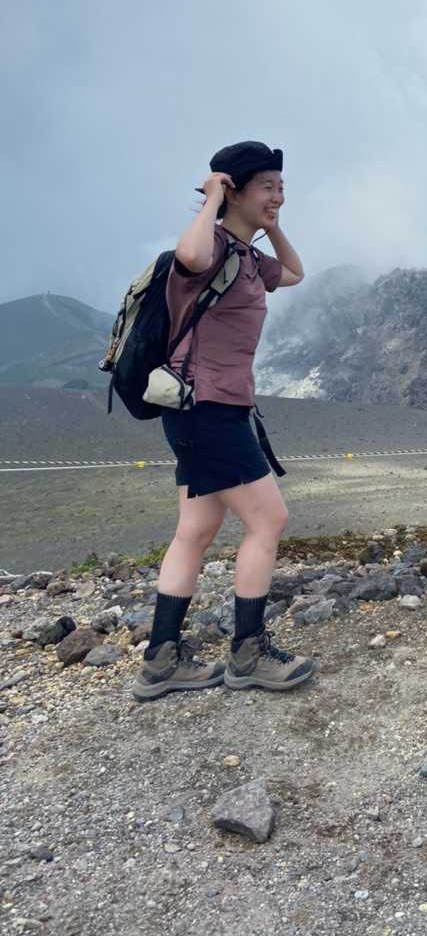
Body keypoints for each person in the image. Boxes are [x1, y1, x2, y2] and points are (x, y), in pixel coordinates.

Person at [131, 141, 315, 701]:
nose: (278, 195)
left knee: (196, 530)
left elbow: (294, 272)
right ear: (234, 189)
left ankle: (161, 661)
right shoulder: (210, 247)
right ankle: (249, 654)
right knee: (269, 519)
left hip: (210, 410)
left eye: (281, 187)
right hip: (206, 409)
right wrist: (213, 196)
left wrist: (272, 224)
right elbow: (188, 255)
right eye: (267, 187)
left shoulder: (246, 256)